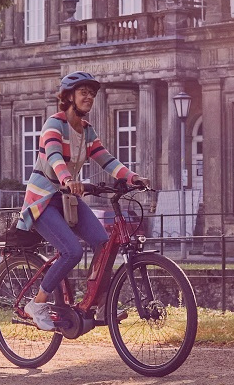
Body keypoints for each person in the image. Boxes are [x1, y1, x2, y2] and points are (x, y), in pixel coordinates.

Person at [16, 72, 147, 330]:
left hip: (66, 200)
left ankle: (98, 302)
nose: (89, 97)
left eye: (92, 93)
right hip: (42, 201)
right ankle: (38, 303)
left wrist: (132, 177)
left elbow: (106, 160)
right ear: (69, 97)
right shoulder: (54, 124)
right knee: (72, 251)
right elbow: (54, 157)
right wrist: (67, 179)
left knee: (103, 242)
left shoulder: (87, 131)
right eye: (83, 92)